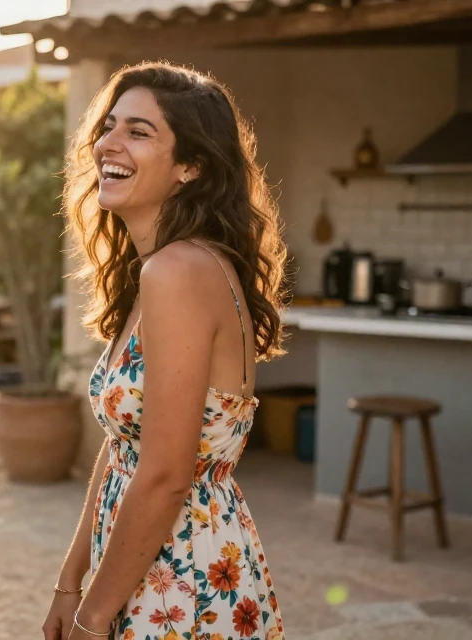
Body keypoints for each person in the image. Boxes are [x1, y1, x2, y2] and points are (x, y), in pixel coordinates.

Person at [43, 61, 290, 640]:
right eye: (109, 125)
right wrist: (70, 581)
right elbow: (123, 450)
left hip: (180, 583)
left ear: (191, 166)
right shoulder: (157, 269)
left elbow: (164, 475)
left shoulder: (178, 272)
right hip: (143, 567)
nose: (109, 142)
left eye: (139, 131)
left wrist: (93, 615)